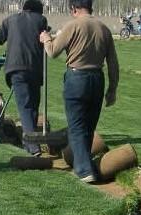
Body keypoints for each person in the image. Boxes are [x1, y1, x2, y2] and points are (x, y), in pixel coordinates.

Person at [40, 0, 119, 183]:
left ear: (74, 9)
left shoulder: (72, 25)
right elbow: (113, 63)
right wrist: (112, 89)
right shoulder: (103, 29)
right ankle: (87, 164)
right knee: (88, 127)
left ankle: (84, 171)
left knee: (76, 127)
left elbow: (52, 52)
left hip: (77, 78)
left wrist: (46, 39)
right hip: (97, 78)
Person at [0, 0, 48, 156]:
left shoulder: (10, 20)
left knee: (26, 106)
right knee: (33, 105)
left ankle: (31, 143)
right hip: (34, 69)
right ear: (38, 10)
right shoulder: (41, 20)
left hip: (16, 68)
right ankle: (32, 144)